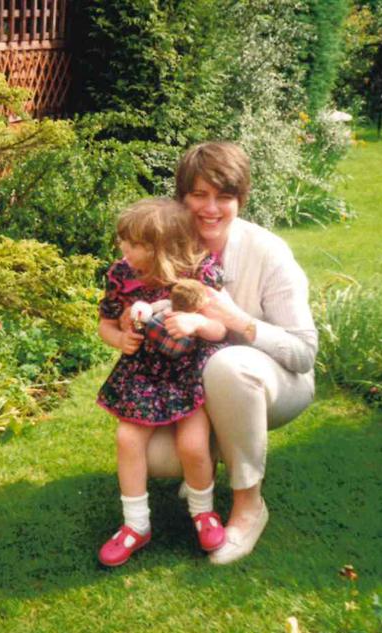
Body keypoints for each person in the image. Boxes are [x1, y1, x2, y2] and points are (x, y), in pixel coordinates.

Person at [144, 141, 318, 565]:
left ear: (241, 199)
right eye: (199, 194)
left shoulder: (268, 252)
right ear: (181, 197)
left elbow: (304, 354)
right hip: (195, 392)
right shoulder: (169, 246)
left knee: (228, 365)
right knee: (156, 459)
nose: (211, 208)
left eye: (224, 196)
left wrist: (239, 320)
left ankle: (248, 506)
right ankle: (208, 460)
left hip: (275, 382)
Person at [96, 197, 228, 567]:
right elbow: (105, 324)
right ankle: (136, 524)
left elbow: (220, 327)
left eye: (135, 244)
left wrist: (197, 324)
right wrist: (119, 340)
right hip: (144, 372)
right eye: (124, 240)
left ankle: (203, 511)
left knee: (192, 443)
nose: (125, 249)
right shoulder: (121, 274)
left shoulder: (198, 273)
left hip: (188, 371)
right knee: (127, 439)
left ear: (164, 249)